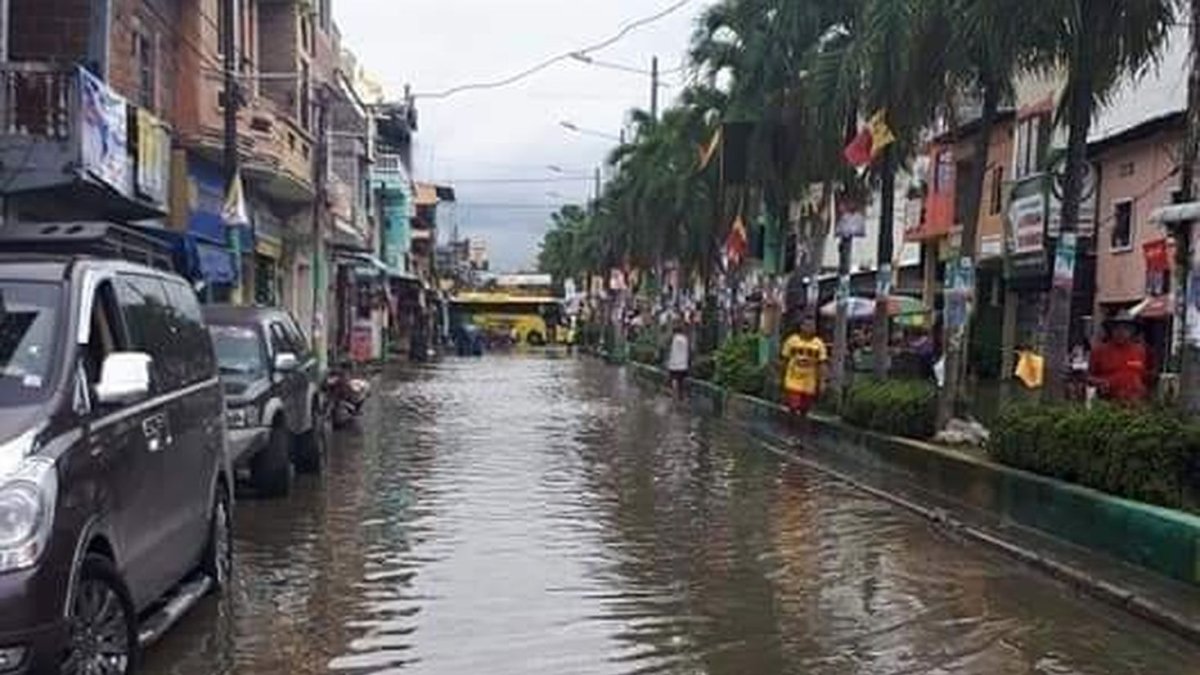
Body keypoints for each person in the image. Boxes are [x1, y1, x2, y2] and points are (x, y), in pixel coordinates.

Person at [1089, 312, 1152, 404]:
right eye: (1117, 328)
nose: (1121, 332)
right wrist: (1100, 382)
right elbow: (1088, 377)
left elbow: (1148, 376)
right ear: (1111, 330)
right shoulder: (1099, 350)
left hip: (1136, 403)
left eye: (1126, 328)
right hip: (1108, 403)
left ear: (1133, 331)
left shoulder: (1141, 351)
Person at [781, 316, 828, 417]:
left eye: (812, 326)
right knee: (794, 406)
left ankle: (801, 427)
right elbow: (785, 359)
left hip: (809, 382)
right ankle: (791, 426)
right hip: (793, 379)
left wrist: (822, 381)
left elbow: (822, 363)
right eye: (807, 325)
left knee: (804, 409)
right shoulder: (792, 341)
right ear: (801, 327)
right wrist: (781, 376)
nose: (810, 328)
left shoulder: (819, 344)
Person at [666, 322, 690, 399]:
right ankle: (680, 396)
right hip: (683, 365)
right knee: (681, 382)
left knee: (673, 379)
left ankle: (673, 394)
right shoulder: (685, 339)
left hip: (674, 365)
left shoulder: (674, 339)